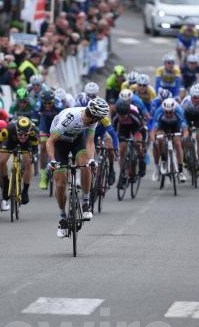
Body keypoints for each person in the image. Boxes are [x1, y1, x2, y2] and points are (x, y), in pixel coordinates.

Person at [46, 98, 110, 236]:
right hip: (59, 143)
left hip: (76, 140)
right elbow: (50, 141)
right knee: (60, 184)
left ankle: (86, 203)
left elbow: (90, 142)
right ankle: (63, 218)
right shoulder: (70, 118)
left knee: (86, 165)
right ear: (92, 115)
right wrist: (52, 160)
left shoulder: (93, 120)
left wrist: (91, 159)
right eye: (98, 118)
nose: (98, 121)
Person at [0, 115, 38, 210]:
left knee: (28, 162)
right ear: (16, 130)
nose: (22, 137)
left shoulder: (33, 132)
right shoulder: (9, 129)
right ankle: (6, 184)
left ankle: (25, 191)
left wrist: (34, 156)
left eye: (25, 135)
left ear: (29, 132)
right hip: (10, 141)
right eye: (20, 134)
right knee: (1, 161)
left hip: (26, 145)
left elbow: (35, 148)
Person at [149, 97, 187, 183]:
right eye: (166, 112)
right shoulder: (159, 111)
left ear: (174, 110)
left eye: (170, 112)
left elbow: (185, 129)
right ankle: (159, 165)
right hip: (163, 126)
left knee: (178, 143)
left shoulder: (179, 111)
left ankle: (181, 172)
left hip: (175, 126)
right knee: (159, 140)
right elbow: (153, 131)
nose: (168, 114)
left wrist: (184, 137)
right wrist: (153, 140)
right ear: (164, 110)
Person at [112, 99, 146, 187]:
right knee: (122, 149)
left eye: (124, 116)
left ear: (128, 113)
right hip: (124, 129)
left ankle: (141, 160)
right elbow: (113, 130)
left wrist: (142, 142)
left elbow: (142, 130)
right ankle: (123, 171)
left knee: (137, 144)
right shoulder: (116, 116)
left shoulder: (134, 115)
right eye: (120, 116)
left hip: (136, 128)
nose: (122, 118)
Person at [180, 84, 199, 174]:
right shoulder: (186, 101)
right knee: (185, 137)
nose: (197, 100)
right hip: (187, 117)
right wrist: (184, 128)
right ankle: (186, 154)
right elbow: (180, 117)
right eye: (195, 97)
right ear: (191, 96)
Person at [36, 89, 63, 189]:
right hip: (44, 125)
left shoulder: (58, 105)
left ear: (53, 101)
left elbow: (64, 118)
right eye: (45, 103)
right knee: (43, 148)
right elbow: (34, 119)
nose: (47, 105)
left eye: (49, 103)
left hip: (56, 126)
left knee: (58, 147)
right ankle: (43, 177)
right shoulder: (38, 104)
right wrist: (36, 130)